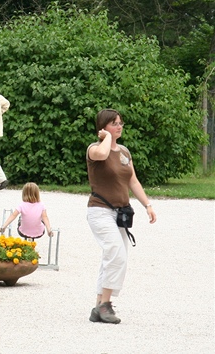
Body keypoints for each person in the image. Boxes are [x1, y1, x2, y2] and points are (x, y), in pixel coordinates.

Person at [86, 109, 157, 324]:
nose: (119, 126)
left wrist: (148, 204)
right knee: (116, 254)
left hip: (120, 214)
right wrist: (106, 139)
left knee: (115, 257)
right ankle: (105, 305)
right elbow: (102, 155)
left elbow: (133, 180)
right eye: (114, 123)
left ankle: (99, 305)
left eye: (120, 123)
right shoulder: (94, 149)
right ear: (103, 127)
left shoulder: (125, 152)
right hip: (100, 210)